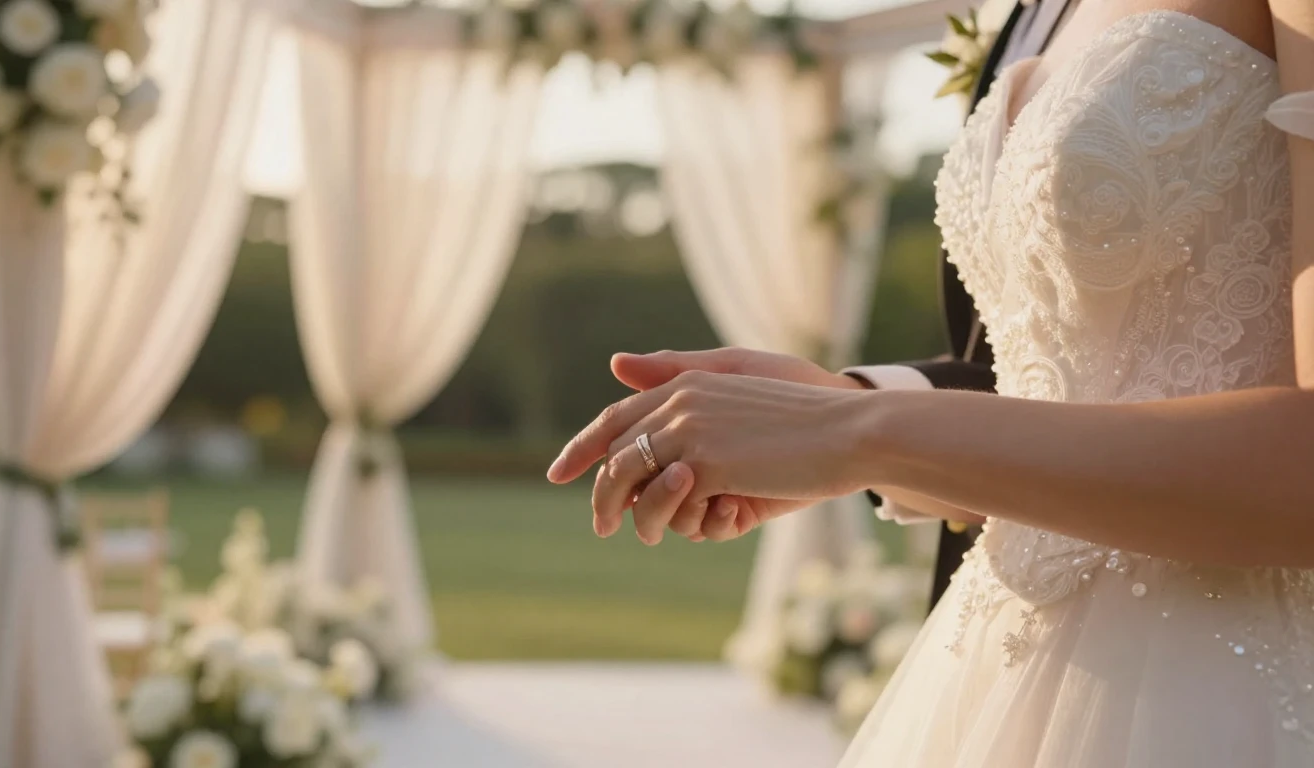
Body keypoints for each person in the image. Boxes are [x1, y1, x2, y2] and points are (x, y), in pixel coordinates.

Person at [547, 0, 1314, 763]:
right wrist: (841, 407)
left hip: (1223, 692)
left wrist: (852, 436)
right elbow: (1073, 378)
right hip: (999, 673)